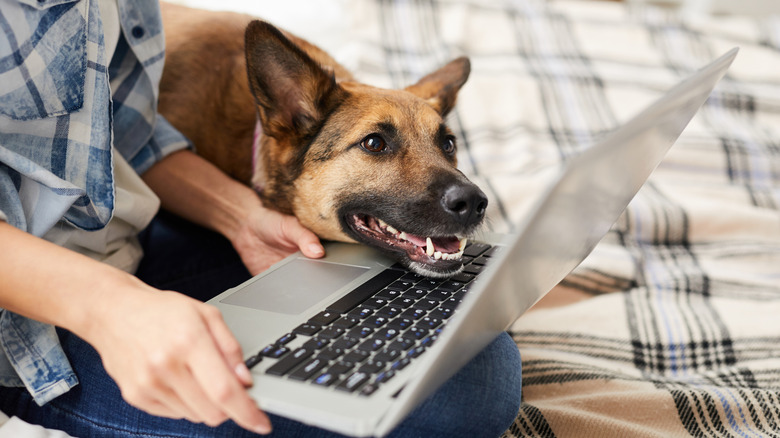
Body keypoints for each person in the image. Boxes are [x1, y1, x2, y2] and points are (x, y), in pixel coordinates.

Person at [0, 1, 523, 437]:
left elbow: (130, 134)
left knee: (472, 351)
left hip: (125, 240)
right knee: (458, 397)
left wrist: (241, 217)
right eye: (375, 145)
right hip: (27, 332)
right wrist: (110, 309)